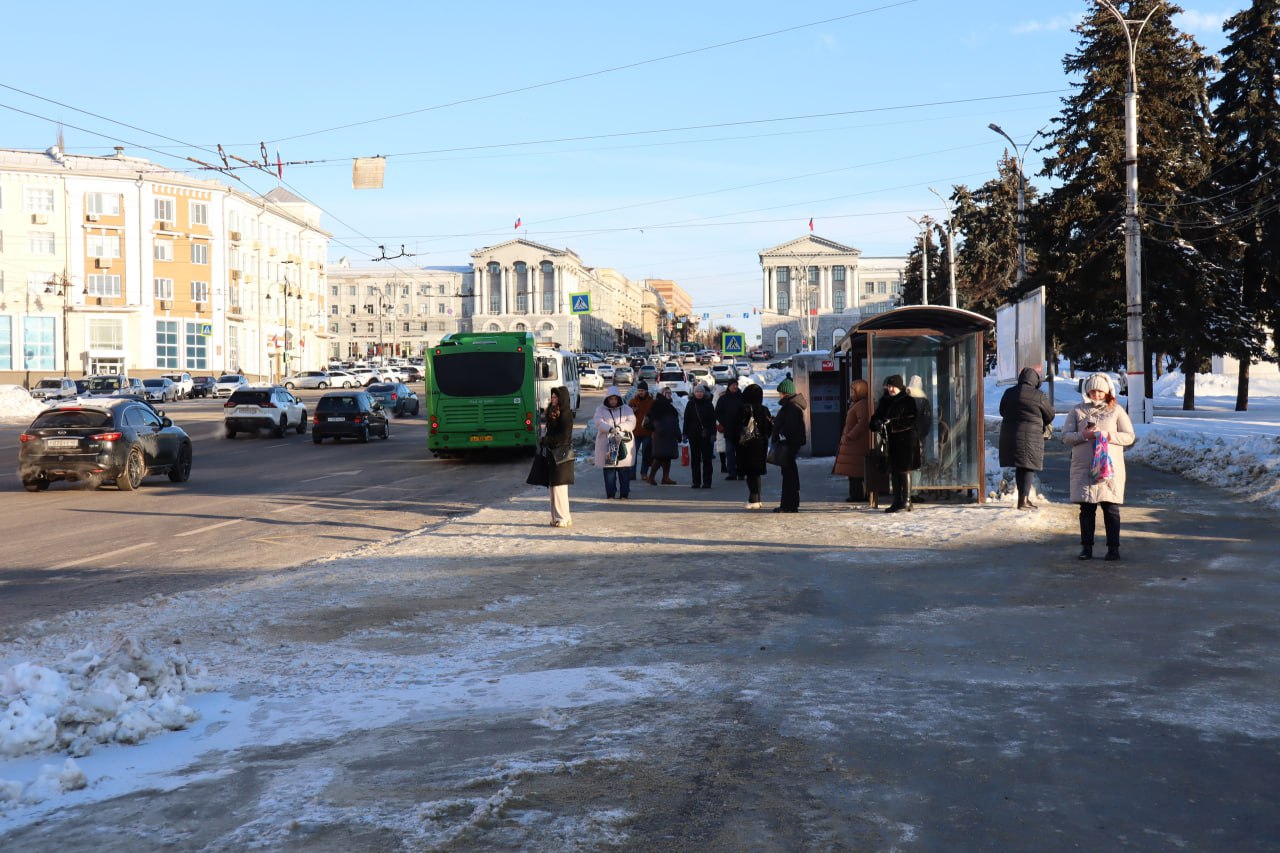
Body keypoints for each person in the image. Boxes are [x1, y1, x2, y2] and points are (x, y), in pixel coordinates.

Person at [1063, 373, 1135, 560]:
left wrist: (1109, 436)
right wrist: (1083, 435)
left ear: (1107, 391)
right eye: (1093, 391)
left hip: (1108, 468)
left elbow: (1129, 437)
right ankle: (1086, 548)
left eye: (1100, 391)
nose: (1096, 395)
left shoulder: (1116, 410)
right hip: (1084, 467)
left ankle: (1113, 548)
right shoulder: (1077, 410)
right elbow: (1065, 436)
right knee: (1086, 510)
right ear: (1087, 391)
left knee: (1111, 509)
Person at [999, 366, 1055, 510]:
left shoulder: (1009, 392)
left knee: (1021, 467)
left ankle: (1023, 499)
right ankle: (1023, 501)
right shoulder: (1039, 395)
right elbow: (1050, 415)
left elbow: (1002, 411)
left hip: (1011, 435)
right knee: (1028, 467)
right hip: (1031, 436)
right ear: (1035, 380)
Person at [870, 374, 920, 513]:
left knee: (904, 470)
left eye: (893, 386)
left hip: (906, 441)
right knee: (894, 471)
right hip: (890, 442)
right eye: (889, 386)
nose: (891, 389)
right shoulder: (885, 401)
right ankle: (897, 500)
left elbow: (911, 419)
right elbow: (875, 418)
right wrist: (877, 424)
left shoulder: (907, 400)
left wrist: (892, 425)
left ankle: (907, 501)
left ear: (899, 387)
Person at [591, 386, 636, 499]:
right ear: (607, 399)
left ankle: (624, 493)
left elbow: (632, 421)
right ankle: (610, 493)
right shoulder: (600, 409)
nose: (613, 401)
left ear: (618, 399)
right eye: (611, 399)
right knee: (609, 470)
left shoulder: (626, 409)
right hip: (608, 444)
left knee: (624, 469)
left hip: (623, 444)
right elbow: (598, 422)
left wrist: (621, 427)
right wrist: (610, 429)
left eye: (615, 399)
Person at [771, 378, 808, 513]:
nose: (779, 395)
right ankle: (789, 504)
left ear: (785, 393)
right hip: (789, 445)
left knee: (789, 476)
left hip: (788, 446)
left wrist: (780, 434)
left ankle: (789, 505)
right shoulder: (791, 405)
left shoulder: (791, 407)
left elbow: (790, 428)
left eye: (780, 393)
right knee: (789, 475)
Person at [832, 379, 871, 503]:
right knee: (854, 472)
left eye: (853, 390)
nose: (851, 393)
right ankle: (856, 494)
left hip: (857, 444)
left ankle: (858, 495)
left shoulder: (862, 404)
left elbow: (863, 422)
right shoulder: (857, 403)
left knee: (856, 472)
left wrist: (850, 435)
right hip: (854, 444)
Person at [541, 385, 575, 527]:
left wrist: (547, 440)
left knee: (560, 487)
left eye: (555, 397)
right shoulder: (554, 412)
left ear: (561, 399)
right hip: (553, 453)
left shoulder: (566, 414)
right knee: (553, 487)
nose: (552, 399)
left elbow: (564, 436)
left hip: (561, 454)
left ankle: (563, 518)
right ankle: (556, 517)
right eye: (552, 397)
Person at [735, 383, 773, 509]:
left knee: (749, 472)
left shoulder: (742, 409)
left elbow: (735, 427)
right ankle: (755, 498)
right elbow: (769, 427)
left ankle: (754, 499)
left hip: (746, 445)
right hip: (760, 444)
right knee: (755, 472)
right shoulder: (764, 409)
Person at [682, 383, 717, 488]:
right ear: (694, 393)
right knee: (695, 460)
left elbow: (712, 421)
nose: (699, 393)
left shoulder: (708, 404)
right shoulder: (690, 404)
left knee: (707, 460)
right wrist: (685, 433)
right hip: (694, 436)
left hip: (706, 436)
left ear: (704, 393)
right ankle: (696, 482)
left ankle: (707, 482)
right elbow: (686, 420)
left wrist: (713, 434)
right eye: (697, 391)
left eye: (701, 391)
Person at [645, 387, 681, 485]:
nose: (669, 394)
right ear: (662, 394)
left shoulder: (670, 406)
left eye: (670, 393)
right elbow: (651, 419)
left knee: (668, 456)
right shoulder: (657, 405)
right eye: (667, 393)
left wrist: (678, 434)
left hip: (670, 435)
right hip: (660, 435)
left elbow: (675, 421)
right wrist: (657, 429)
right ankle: (651, 477)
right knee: (660, 456)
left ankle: (665, 477)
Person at [714, 378, 745, 480]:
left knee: (741, 453)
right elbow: (717, 412)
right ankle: (732, 473)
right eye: (732, 385)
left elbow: (747, 410)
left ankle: (741, 473)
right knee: (730, 452)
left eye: (736, 385)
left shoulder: (742, 397)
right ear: (729, 386)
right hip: (729, 430)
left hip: (741, 430)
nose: (734, 387)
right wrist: (724, 422)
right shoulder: (723, 399)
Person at [629, 380, 655, 481]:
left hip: (647, 432)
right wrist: (632, 412)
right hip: (635, 432)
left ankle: (644, 473)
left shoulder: (651, 402)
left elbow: (655, 416)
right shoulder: (633, 401)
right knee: (633, 453)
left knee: (646, 454)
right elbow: (626, 416)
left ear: (646, 391)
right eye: (639, 390)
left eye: (642, 390)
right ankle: (632, 473)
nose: (640, 392)